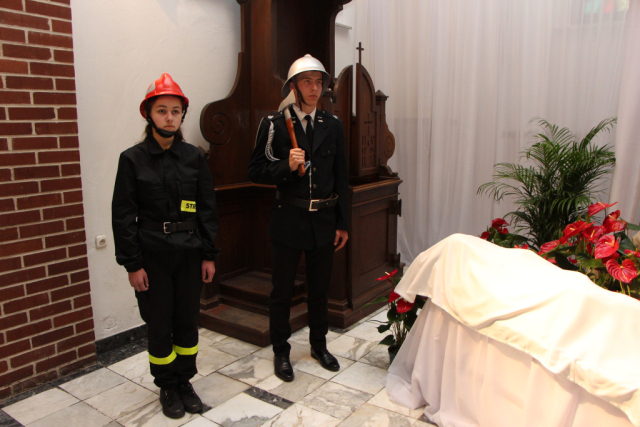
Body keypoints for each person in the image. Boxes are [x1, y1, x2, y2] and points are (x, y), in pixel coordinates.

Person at [111, 73, 220, 419]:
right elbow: (123, 216)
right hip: (152, 257)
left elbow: (207, 210)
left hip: (189, 254)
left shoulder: (194, 158)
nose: (169, 117)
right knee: (159, 323)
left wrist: (209, 255)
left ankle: (184, 381)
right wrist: (132, 264)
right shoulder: (132, 160)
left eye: (175, 111)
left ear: (182, 114)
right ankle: (167, 386)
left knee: (187, 321)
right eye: (162, 110)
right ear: (148, 114)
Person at [248, 54, 349, 382]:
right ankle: (281, 351)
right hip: (288, 220)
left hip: (323, 221)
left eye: (318, 82)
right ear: (294, 87)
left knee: (319, 290)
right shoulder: (275, 124)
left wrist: (342, 223)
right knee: (282, 292)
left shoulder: (332, 125)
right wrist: (285, 166)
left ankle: (319, 346)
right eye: (307, 82)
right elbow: (255, 170)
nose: (314, 88)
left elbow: (341, 177)